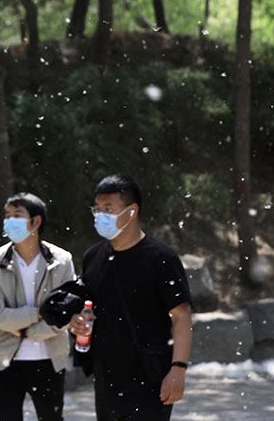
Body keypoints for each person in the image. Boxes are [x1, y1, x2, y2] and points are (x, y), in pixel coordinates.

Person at [69, 174, 193, 421]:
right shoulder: (93, 257)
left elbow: (181, 316)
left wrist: (178, 369)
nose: (100, 216)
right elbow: (86, 306)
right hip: (106, 378)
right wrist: (77, 322)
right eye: (97, 209)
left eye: (108, 209)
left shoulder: (161, 258)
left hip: (150, 377)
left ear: (132, 211)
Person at [0, 192, 76, 421]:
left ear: (35, 222)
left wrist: (26, 330)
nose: (9, 221)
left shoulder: (61, 260)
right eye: (7, 215)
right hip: (6, 359)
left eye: (17, 215)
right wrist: (40, 314)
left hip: (50, 359)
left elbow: (66, 312)